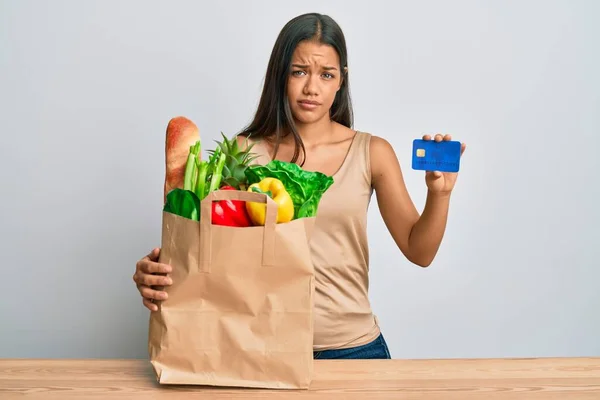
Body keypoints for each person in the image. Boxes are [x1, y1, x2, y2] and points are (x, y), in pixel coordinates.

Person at [133, 12, 466, 360]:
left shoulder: (373, 152)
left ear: (341, 80)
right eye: (299, 72)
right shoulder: (244, 153)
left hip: (353, 350)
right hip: (260, 350)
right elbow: (210, 259)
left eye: (326, 74)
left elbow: (420, 251)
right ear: (281, 75)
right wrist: (156, 272)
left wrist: (439, 195)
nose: (312, 88)